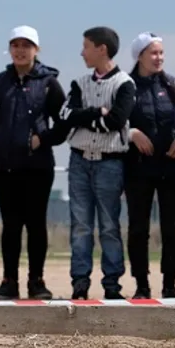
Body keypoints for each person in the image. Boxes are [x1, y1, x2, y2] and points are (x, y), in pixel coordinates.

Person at [0, 26, 64, 300]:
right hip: (4, 167)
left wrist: (42, 139)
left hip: (38, 167)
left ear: (36, 50)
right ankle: (9, 281)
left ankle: (37, 281)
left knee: (36, 224)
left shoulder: (49, 83)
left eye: (26, 45)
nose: (20, 50)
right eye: (15, 45)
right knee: (11, 225)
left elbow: (64, 123)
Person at [53, 26, 135, 300]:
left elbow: (117, 121)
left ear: (102, 49)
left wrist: (85, 118)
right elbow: (65, 115)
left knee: (109, 225)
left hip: (109, 163)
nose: (82, 52)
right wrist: (96, 113)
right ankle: (80, 282)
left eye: (86, 46)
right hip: (79, 161)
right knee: (80, 225)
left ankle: (112, 283)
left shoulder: (124, 84)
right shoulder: (79, 83)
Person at [124, 32, 175, 299]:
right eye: (153, 53)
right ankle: (142, 285)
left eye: (161, 53)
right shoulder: (126, 86)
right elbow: (116, 121)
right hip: (138, 169)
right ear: (139, 56)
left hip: (172, 167)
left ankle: (170, 285)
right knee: (138, 228)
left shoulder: (172, 85)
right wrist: (132, 134)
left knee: (172, 228)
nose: (158, 58)